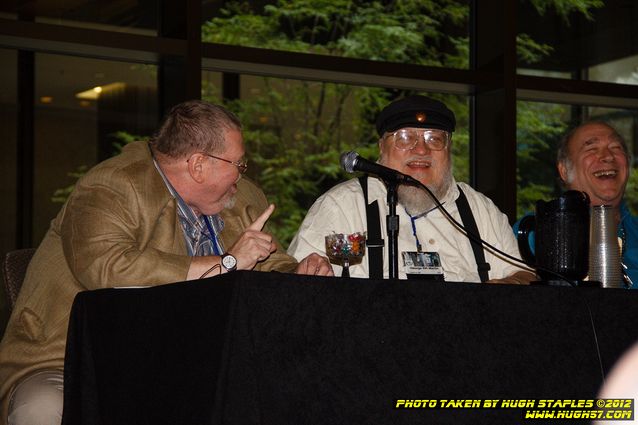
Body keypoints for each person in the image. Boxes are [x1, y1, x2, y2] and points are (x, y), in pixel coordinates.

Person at [0, 100, 332, 425]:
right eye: (238, 164)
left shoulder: (243, 198)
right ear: (199, 164)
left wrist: (297, 274)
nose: (241, 175)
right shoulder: (112, 185)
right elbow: (106, 269)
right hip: (73, 358)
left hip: (188, 361)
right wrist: (227, 263)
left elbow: (267, 263)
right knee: (40, 410)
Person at [288, 95, 534, 283]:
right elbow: (292, 281)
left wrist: (495, 292)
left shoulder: (479, 210)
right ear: (382, 147)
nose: (421, 150)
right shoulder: (341, 207)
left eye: (434, 139)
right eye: (405, 138)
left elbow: (527, 276)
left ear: (449, 150)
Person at [516, 121, 636, 287]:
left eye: (616, 147)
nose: (608, 156)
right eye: (591, 148)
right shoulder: (536, 231)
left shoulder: (635, 230)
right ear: (564, 170)